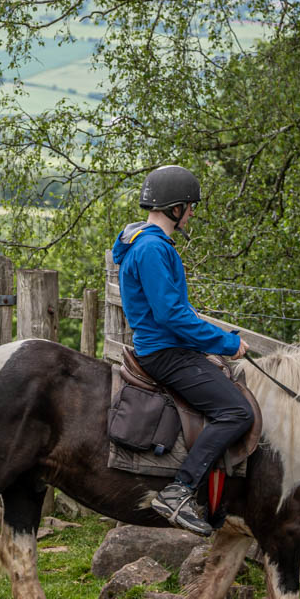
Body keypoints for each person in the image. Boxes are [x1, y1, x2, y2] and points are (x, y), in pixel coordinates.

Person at [111, 164, 252, 536]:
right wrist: (228, 343)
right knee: (236, 412)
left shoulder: (141, 243)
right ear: (175, 207)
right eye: (189, 206)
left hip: (168, 346)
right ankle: (179, 491)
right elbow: (172, 315)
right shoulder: (153, 249)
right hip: (165, 353)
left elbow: (175, 312)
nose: (191, 213)